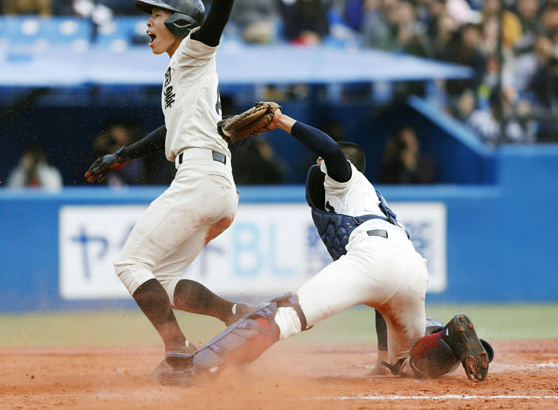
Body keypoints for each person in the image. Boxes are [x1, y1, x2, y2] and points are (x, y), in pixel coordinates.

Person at [164, 106, 492, 384]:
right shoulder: (373, 202)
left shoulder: (343, 179)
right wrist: (381, 360)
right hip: (409, 267)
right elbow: (384, 301)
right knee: (405, 364)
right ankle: (448, 339)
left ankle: (198, 367)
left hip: (371, 258)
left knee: (283, 315)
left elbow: (333, 152)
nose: (319, 167)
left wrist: (282, 122)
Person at [83, 0, 254, 381]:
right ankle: (238, 314)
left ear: (179, 22)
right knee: (166, 282)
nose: (148, 24)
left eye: (156, 15)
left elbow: (213, 23)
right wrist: (120, 155)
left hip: (199, 178)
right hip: (217, 187)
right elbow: (168, 128)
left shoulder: (194, 52)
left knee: (130, 265)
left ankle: (178, 352)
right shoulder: (179, 71)